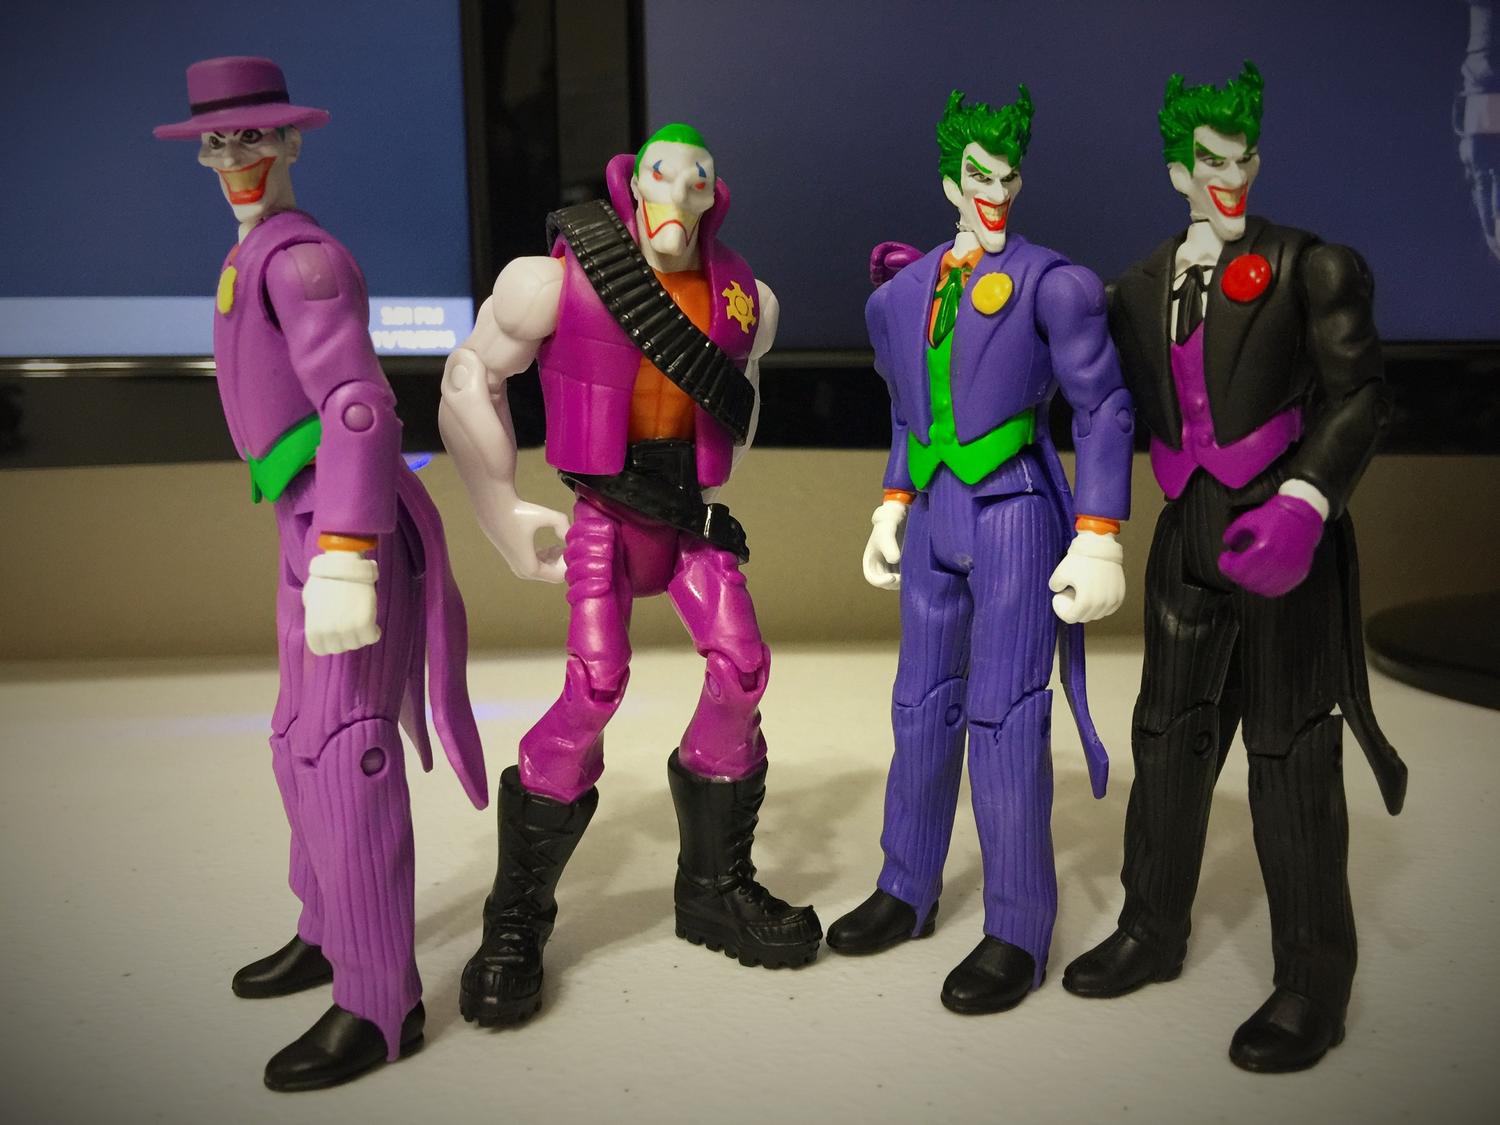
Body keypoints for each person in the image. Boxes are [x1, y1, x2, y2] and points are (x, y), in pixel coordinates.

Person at [1061, 61, 1406, 1073]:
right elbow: (1086, 389)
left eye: (1243, 156)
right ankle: (1151, 925)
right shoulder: (1136, 287)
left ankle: (1312, 980)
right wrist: (922, 299)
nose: (1231, 176)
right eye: (1211, 160)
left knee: (1290, 749)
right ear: (1179, 169)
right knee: (1167, 734)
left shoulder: (1311, 267)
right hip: (1186, 534)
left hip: (1281, 533)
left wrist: (1306, 500)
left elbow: (1361, 395)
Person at [439, 123, 820, 1028]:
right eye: (662, 177)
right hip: (604, 513)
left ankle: (713, 886)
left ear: (713, 196)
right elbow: (468, 377)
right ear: (632, 186)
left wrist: (712, 482)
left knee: (743, 670)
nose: (677, 197)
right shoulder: (551, 280)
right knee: (594, 687)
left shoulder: (748, 299)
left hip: (687, 516)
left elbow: (742, 400)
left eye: (697, 182)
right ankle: (515, 917)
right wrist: (499, 510)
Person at [155, 55, 487, 1091]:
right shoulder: (252, 253)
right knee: (294, 739)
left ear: (290, 140)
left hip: (347, 524)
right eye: (217, 142)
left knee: (348, 752)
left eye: (253, 137)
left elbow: (357, 406)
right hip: (300, 518)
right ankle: (326, 928)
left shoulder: (303, 262)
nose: (235, 157)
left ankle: (381, 1002)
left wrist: (346, 552)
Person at [827, 88, 1134, 1015]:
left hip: (1014, 511)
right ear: (950, 181)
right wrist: (890, 503)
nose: (996, 191)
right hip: (932, 515)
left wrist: (1099, 534)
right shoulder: (900, 295)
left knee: (1006, 717)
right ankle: (906, 884)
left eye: (1009, 176)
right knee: (920, 706)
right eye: (979, 175)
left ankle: (1017, 925)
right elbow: (906, 411)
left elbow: (1103, 406)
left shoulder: (1053, 283)